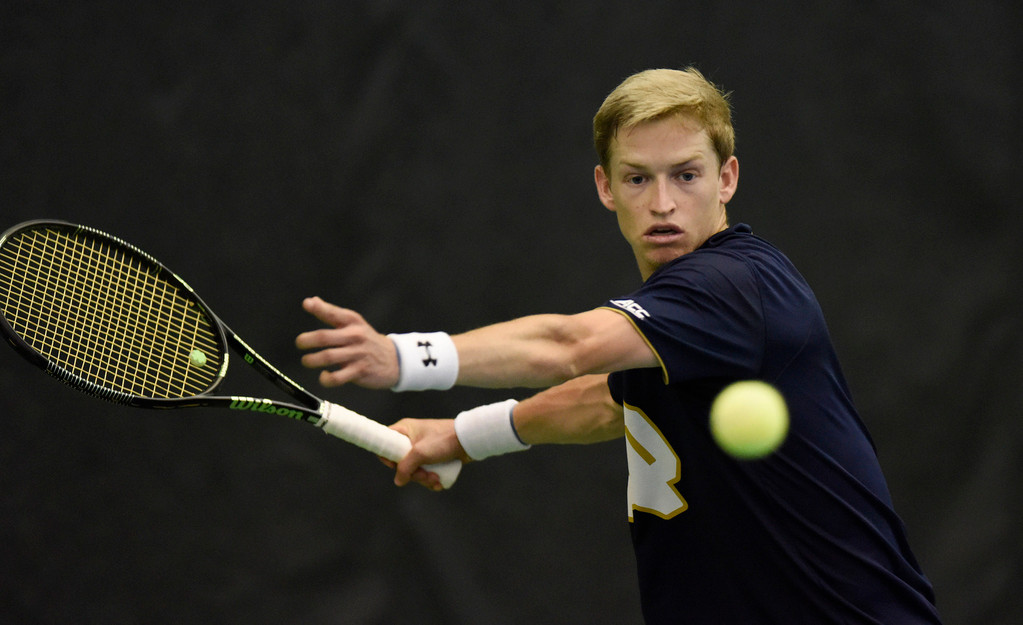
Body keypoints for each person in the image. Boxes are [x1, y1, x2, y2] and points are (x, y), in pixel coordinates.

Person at [295, 68, 942, 624]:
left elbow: (568, 346)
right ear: (605, 187)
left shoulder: (732, 284)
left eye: (685, 175)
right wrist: (464, 435)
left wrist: (405, 358)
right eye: (637, 179)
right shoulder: (675, 326)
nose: (662, 203)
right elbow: (608, 402)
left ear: (726, 179)